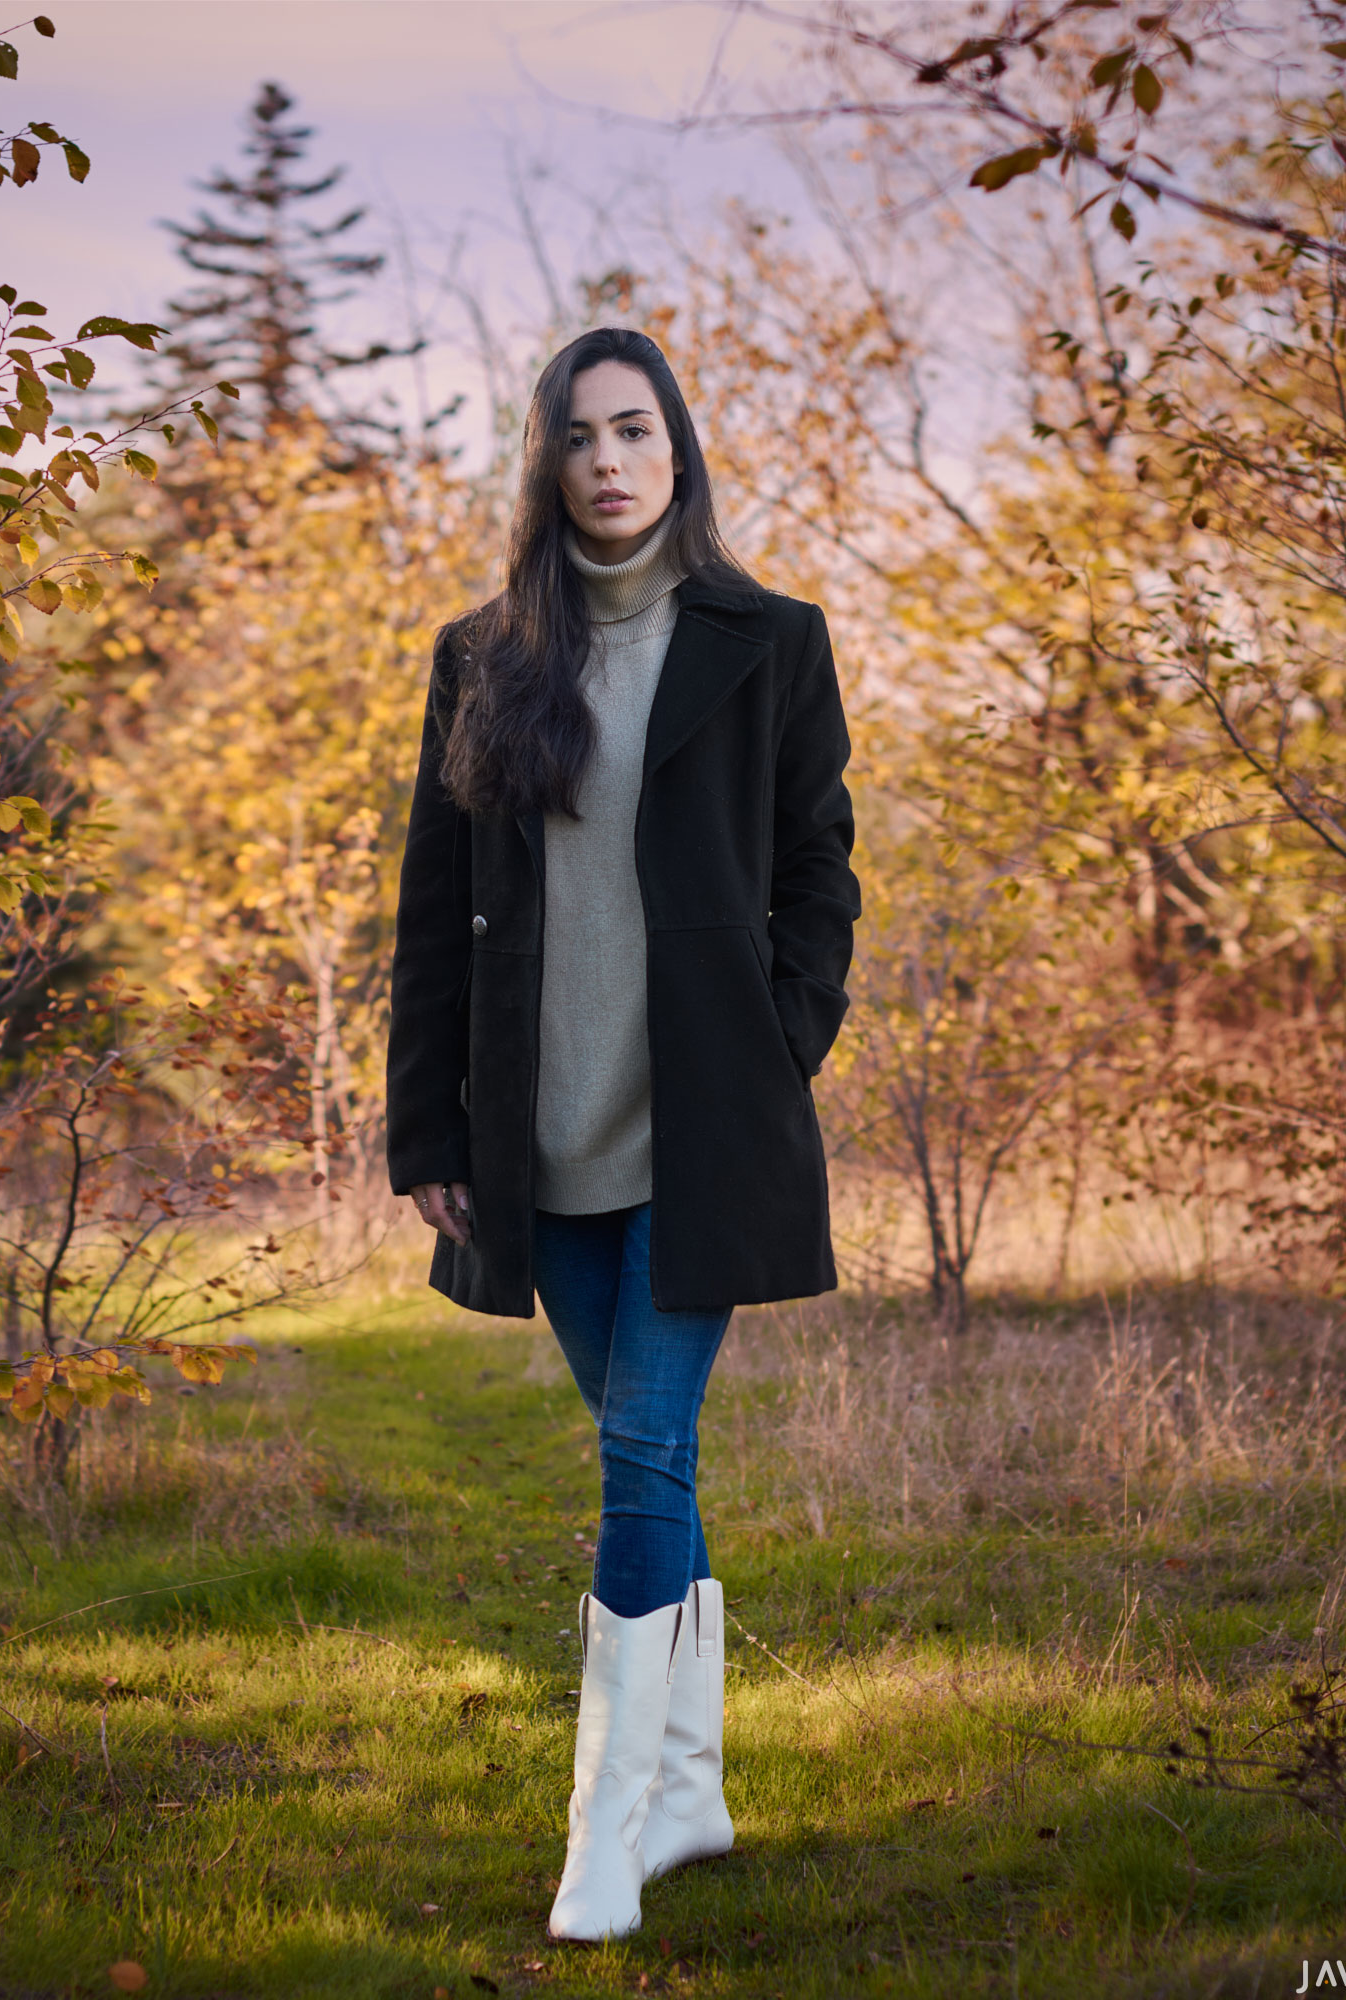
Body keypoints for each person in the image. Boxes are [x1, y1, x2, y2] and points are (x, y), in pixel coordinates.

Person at [386, 326, 859, 1942]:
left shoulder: (770, 640)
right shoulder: (482, 657)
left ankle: (605, 1834)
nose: (607, 460)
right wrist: (423, 1125)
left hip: (705, 1128)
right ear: (548, 463)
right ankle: (697, 1788)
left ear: (679, 452)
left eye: (635, 430)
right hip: (540, 1133)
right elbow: (431, 922)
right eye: (578, 436)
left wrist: (776, 1044)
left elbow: (820, 875)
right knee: (650, 1454)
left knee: (641, 1449)